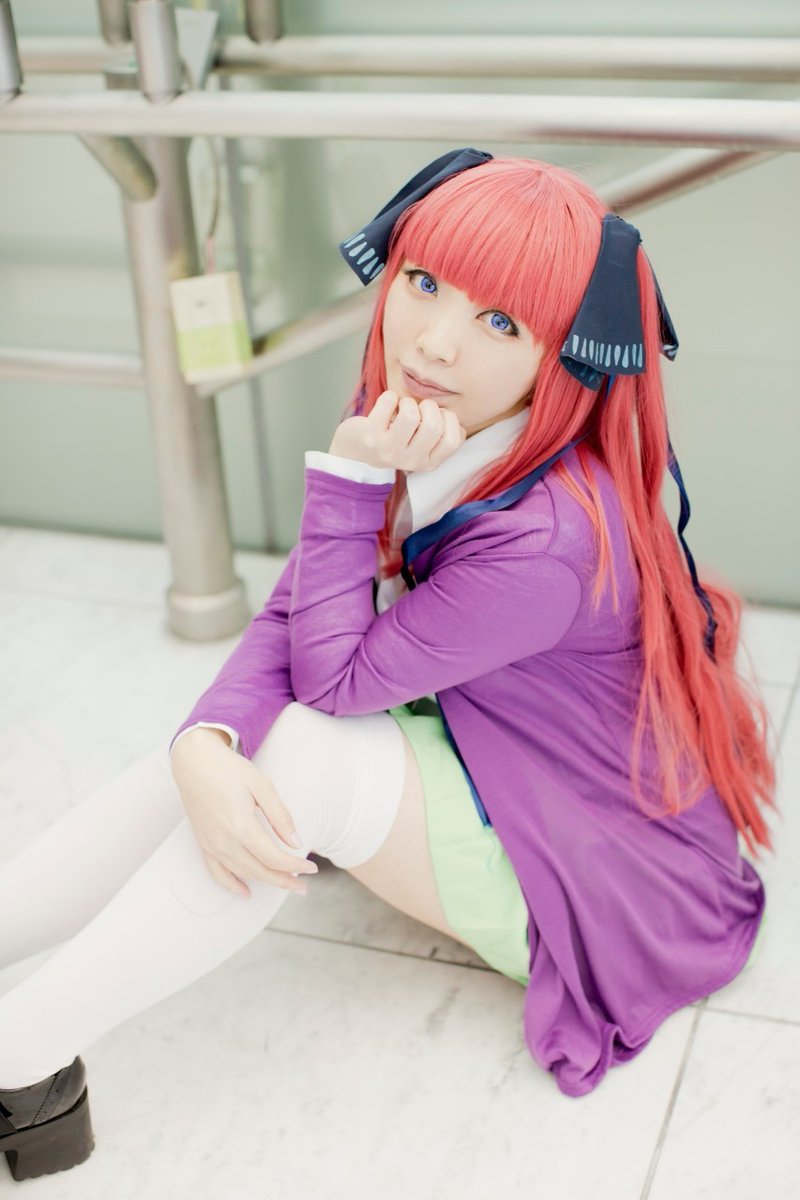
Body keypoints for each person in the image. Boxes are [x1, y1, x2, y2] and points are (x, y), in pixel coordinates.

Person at [0, 149, 776, 1182]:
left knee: (299, 750)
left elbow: (324, 681)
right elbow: (294, 615)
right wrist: (201, 742)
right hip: (494, 756)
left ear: (560, 359)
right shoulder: (440, 415)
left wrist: (350, 481)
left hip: (592, 881)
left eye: (500, 322)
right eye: (423, 282)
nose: (435, 341)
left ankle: (20, 1059)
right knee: (234, 759)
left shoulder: (546, 541)